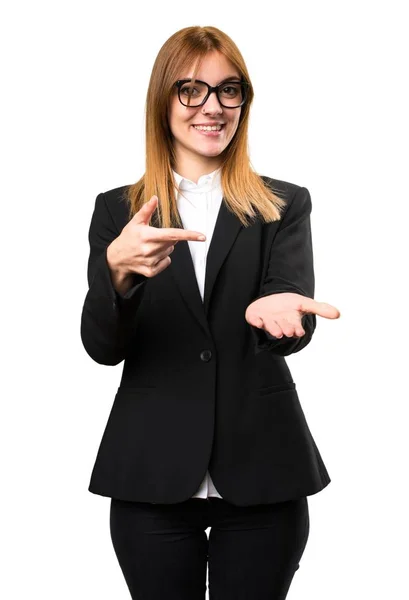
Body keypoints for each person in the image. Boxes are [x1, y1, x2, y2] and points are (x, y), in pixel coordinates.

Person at [80, 25, 340, 600]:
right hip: (150, 469)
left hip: (263, 469)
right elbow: (103, 347)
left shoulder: (282, 203)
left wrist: (282, 315)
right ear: (163, 100)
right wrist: (116, 276)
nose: (213, 107)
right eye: (191, 89)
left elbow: (290, 312)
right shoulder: (118, 212)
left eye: (229, 90)